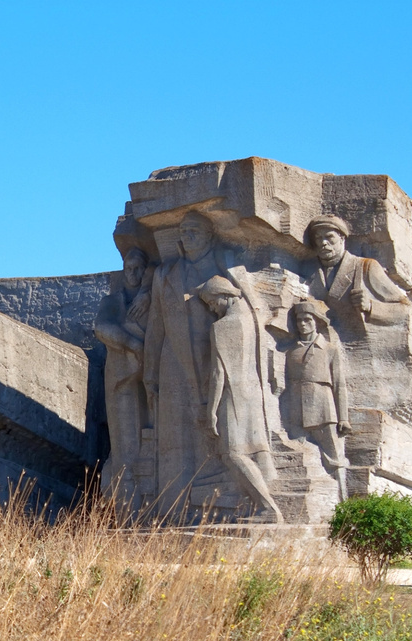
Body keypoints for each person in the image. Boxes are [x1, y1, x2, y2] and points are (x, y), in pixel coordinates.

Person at [142, 211, 268, 520]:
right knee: (176, 436)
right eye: (184, 229)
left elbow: (254, 316)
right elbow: (156, 324)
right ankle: (174, 512)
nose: (188, 234)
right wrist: (149, 372)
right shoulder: (166, 273)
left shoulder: (227, 266)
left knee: (220, 434)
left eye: (195, 229)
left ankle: (232, 504)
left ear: (210, 235)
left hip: (217, 355)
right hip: (174, 360)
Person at [200, 276, 283, 523]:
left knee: (232, 453)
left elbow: (218, 372)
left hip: (234, 395)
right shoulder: (251, 319)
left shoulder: (222, 327)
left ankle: (267, 508)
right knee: (256, 451)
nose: (212, 309)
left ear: (225, 295)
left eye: (213, 302)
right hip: (254, 393)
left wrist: (211, 411)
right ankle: (260, 498)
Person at [94, 247, 150, 518]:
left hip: (148, 378)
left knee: (147, 442)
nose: (133, 274)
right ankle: (129, 514)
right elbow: (102, 327)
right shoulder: (112, 301)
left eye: (138, 268)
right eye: (128, 268)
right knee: (125, 446)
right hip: (121, 380)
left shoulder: (148, 299)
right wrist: (131, 342)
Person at [285, 299, 351, 500]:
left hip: (324, 408)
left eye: (307, 320)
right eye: (299, 320)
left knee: (335, 458)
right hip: (297, 411)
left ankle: (344, 501)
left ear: (316, 321)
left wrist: (344, 417)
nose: (302, 324)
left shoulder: (329, 349)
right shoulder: (291, 351)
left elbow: (339, 384)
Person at [304, 215, 408, 334]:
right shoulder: (308, 269)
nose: (323, 242)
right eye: (318, 238)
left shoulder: (366, 266)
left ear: (342, 238)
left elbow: (403, 310)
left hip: (359, 343)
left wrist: (370, 306)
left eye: (329, 237)